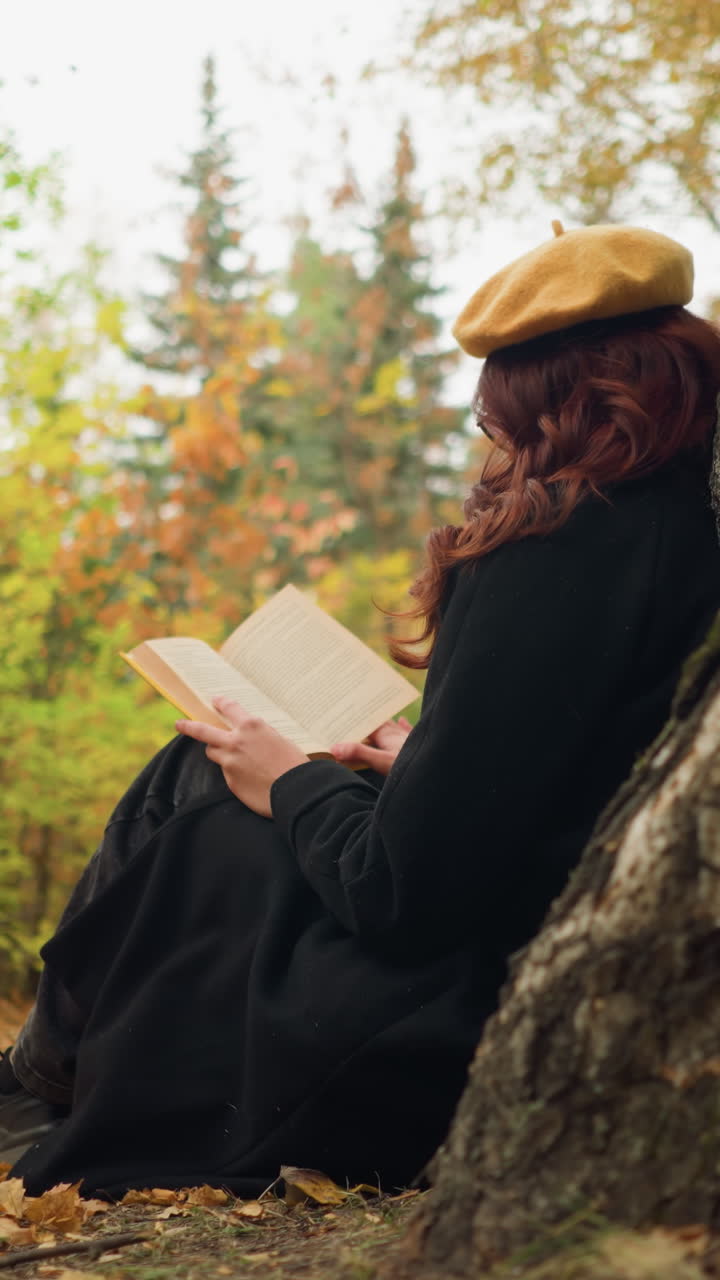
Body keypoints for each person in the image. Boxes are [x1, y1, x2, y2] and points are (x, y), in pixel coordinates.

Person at [3, 223, 720, 1199]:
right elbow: (562, 771)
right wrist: (427, 760)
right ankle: (42, 1078)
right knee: (227, 767)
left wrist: (289, 778)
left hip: (433, 1019)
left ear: (553, 402)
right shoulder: (677, 526)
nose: (494, 445)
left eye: (496, 418)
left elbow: (402, 893)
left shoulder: (560, 544)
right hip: (514, 957)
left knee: (207, 780)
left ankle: (41, 1084)